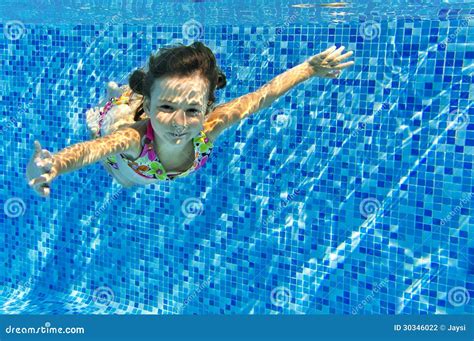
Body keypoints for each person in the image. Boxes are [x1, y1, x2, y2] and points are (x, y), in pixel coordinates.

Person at [26, 42, 354, 197]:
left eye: (193, 110)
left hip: (146, 122)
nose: (180, 124)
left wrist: (309, 68)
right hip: (124, 148)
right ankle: (116, 101)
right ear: (153, 105)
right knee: (110, 134)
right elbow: (94, 149)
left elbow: (262, 96)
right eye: (167, 108)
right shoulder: (133, 141)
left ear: (208, 107)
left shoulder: (211, 126)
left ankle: (126, 95)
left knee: (132, 118)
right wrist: (53, 164)